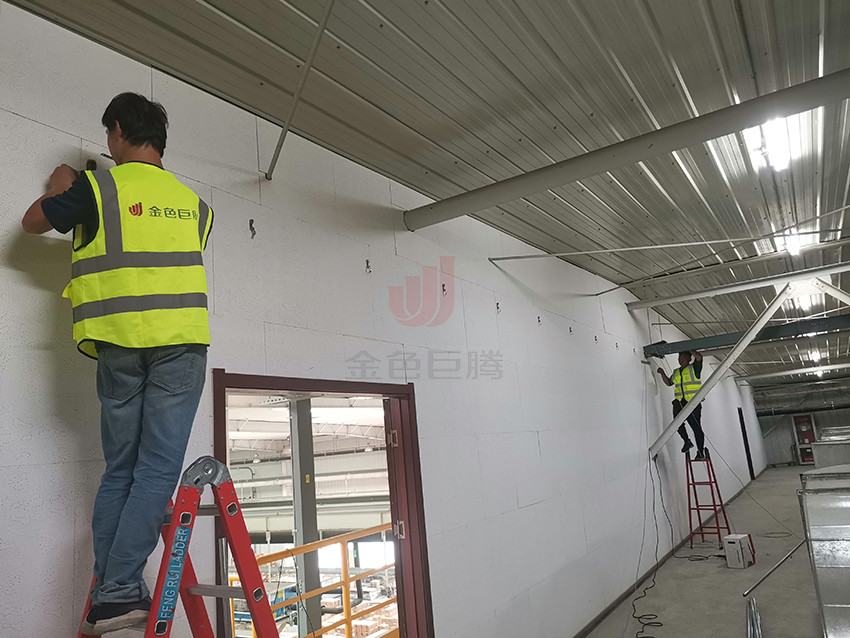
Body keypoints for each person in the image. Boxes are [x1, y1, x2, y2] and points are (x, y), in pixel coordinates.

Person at [22, 93, 213, 635]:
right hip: (181, 347)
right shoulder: (196, 205)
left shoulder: (97, 188)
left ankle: (114, 590)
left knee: (121, 471)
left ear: (119, 130)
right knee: (156, 471)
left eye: (109, 134)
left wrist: (61, 184)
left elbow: (32, 223)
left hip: (119, 344)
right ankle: (118, 591)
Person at [657, 350, 706, 459]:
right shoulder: (676, 372)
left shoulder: (694, 368)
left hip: (693, 403)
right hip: (680, 402)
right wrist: (662, 373)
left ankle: (700, 452)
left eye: (684, 358)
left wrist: (689, 348)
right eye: (680, 358)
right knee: (677, 424)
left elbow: (699, 357)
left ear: (689, 359)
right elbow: (669, 383)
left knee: (696, 428)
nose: (681, 360)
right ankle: (687, 441)